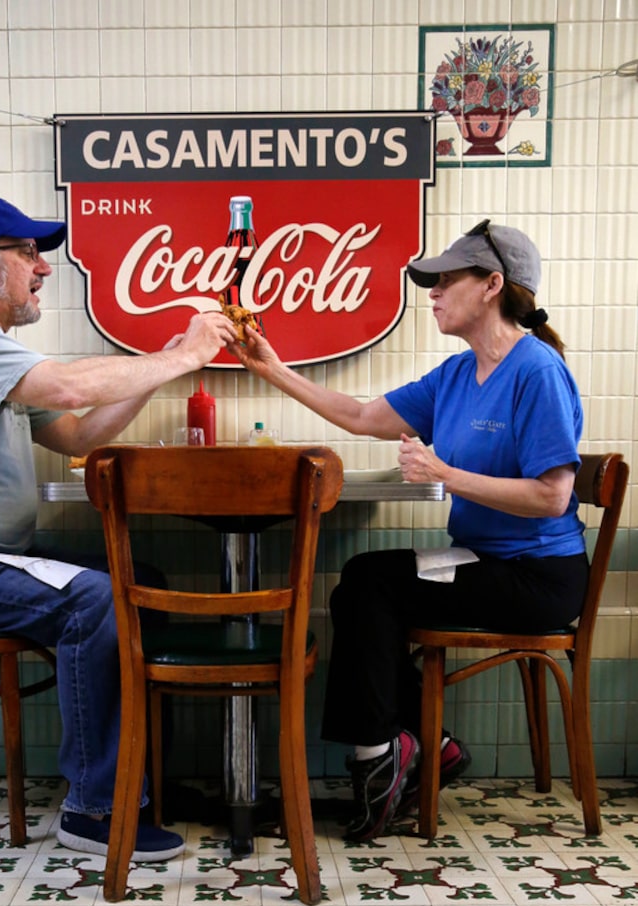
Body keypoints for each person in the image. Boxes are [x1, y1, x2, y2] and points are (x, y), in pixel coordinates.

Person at [0, 195, 236, 860]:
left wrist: (163, 363)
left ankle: (141, 787)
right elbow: (67, 388)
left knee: (138, 583)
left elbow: (79, 432)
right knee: (93, 600)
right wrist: (180, 360)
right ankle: (94, 810)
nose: (43, 268)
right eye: (28, 253)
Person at [232, 220, 589, 840]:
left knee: (373, 582)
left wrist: (444, 472)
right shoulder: (455, 376)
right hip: (483, 562)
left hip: (539, 575)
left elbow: (553, 497)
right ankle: (420, 747)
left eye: (447, 279)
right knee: (365, 581)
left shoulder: (537, 372)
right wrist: (272, 369)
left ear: (492, 285)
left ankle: (386, 759)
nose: (434, 292)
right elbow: (364, 415)